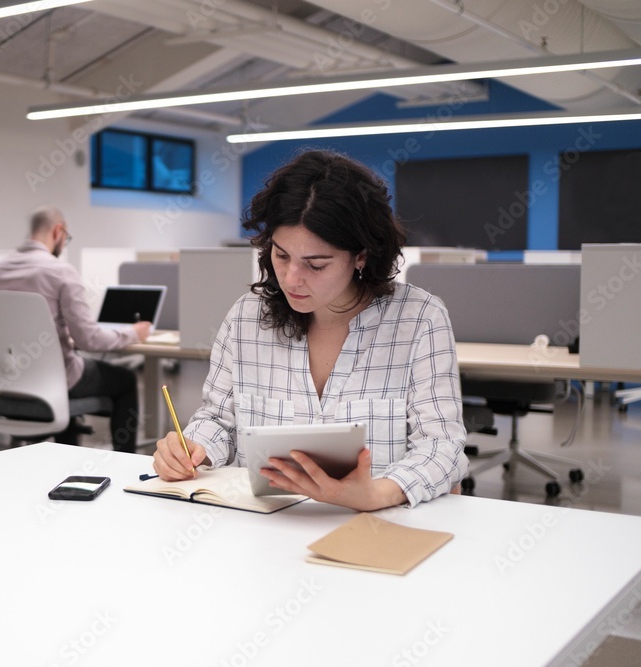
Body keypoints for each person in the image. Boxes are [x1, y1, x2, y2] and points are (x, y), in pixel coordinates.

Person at [154, 150, 468, 509]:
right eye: (282, 255)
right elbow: (219, 422)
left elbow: (443, 446)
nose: (291, 279)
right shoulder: (246, 318)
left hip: (376, 531)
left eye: (315, 264)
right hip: (261, 532)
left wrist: (378, 493)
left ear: (361, 255)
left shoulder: (419, 319)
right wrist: (192, 448)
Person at [0, 206, 151, 452]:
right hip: (56, 382)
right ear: (58, 231)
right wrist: (133, 333)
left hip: (9, 381)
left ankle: (67, 453)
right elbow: (88, 340)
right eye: (66, 238)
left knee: (69, 366)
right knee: (125, 380)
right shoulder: (61, 272)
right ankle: (124, 462)